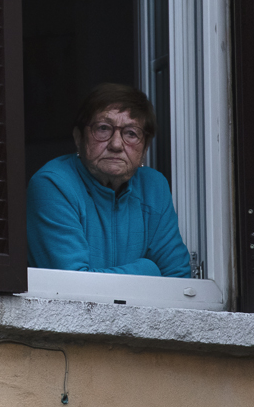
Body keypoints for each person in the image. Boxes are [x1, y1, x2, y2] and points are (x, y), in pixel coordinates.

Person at [27, 83, 191, 277]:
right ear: (79, 138)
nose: (116, 144)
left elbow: (178, 280)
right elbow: (72, 285)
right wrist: (149, 269)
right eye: (103, 129)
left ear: (145, 149)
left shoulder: (154, 187)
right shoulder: (52, 185)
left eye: (131, 133)